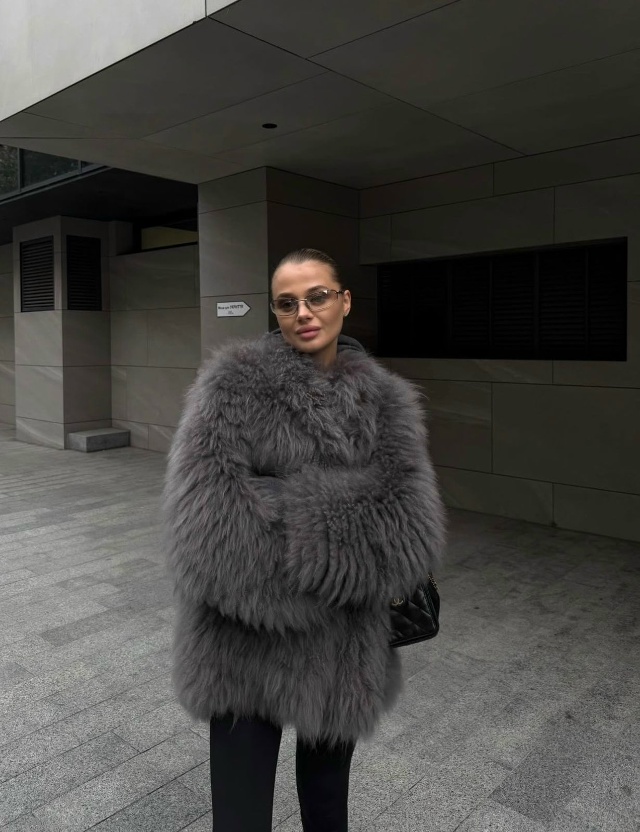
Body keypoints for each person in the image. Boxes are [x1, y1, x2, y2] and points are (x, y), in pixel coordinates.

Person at [163, 248, 445, 831]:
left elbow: (410, 527)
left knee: (328, 808)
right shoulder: (232, 385)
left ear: (345, 300)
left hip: (344, 649)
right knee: (240, 817)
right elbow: (205, 529)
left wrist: (280, 503)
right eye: (286, 303)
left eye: (318, 296)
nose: (303, 313)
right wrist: (345, 541)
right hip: (242, 646)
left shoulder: (388, 401)